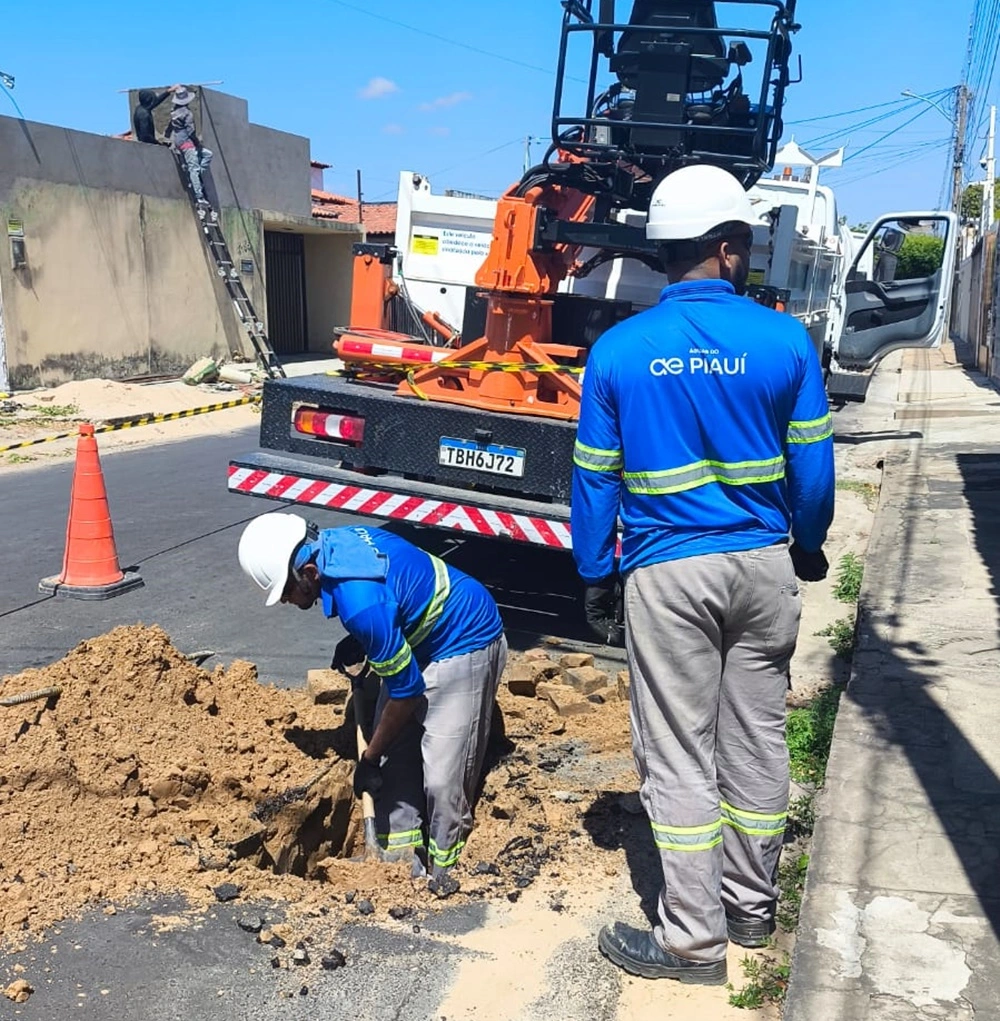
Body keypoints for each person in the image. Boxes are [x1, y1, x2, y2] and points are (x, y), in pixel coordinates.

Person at [571, 164, 835, 986]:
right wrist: (809, 542)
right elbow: (814, 472)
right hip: (762, 567)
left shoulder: (617, 352)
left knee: (680, 753)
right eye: (745, 242)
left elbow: (594, 477)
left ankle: (692, 941)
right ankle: (752, 908)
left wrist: (596, 573)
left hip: (667, 574)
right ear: (725, 248)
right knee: (756, 739)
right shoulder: (786, 340)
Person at [237, 513, 507, 894]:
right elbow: (391, 601)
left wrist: (367, 758)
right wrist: (371, 641)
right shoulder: (333, 544)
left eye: (286, 591)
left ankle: (444, 871)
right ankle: (398, 864)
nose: (284, 600)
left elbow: (407, 691)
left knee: (443, 777)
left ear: (309, 572)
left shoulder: (360, 602)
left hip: (464, 638)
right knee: (393, 760)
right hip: (418, 637)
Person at [165, 86, 213, 207]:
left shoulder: (174, 112)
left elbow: (169, 129)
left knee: (207, 155)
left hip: (178, 142)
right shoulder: (187, 114)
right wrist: (197, 143)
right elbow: (191, 132)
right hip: (187, 143)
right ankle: (199, 195)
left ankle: (195, 178)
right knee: (194, 169)